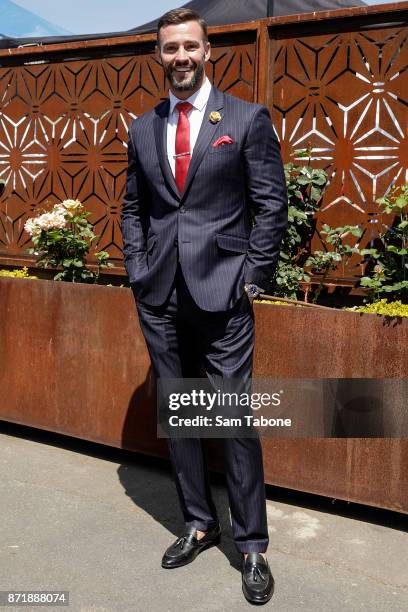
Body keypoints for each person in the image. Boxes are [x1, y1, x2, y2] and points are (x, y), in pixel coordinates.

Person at [121, 7, 287, 605]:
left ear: (208, 50)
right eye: (170, 49)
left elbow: (271, 204)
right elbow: (134, 208)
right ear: (159, 55)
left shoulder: (244, 119)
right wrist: (137, 267)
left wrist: (253, 278)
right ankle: (198, 522)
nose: (180, 58)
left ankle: (252, 546)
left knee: (233, 419)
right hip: (160, 294)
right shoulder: (143, 128)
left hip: (225, 293)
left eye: (190, 46)